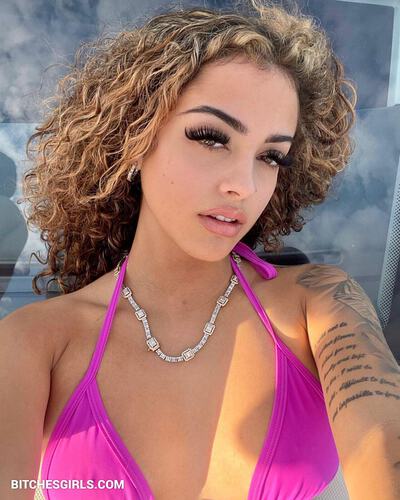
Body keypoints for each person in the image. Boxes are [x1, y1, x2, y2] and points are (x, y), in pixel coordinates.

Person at [1, 0, 399, 499]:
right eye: (211, 138)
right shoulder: (35, 342)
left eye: (271, 157)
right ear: (134, 139)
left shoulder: (318, 304)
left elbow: (382, 441)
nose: (244, 185)